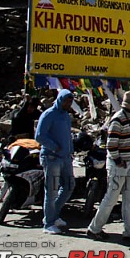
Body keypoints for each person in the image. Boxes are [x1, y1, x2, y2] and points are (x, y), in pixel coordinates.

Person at [87, 92, 130, 244]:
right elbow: (111, 144)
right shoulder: (118, 119)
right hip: (119, 164)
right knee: (111, 197)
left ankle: (129, 230)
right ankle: (94, 228)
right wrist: (119, 160)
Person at [34, 89, 75, 234]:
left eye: (70, 101)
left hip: (65, 158)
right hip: (51, 157)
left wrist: (70, 150)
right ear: (60, 100)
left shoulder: (66, 116)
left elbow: (68, 135)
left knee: (69, 186)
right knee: (52, 190)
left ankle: (54, 214)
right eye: (66, 101)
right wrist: (55, 147)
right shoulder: (48, 115)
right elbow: (39, 136)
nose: (68, 104)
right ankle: (48, 223)